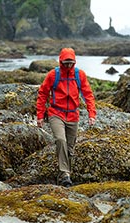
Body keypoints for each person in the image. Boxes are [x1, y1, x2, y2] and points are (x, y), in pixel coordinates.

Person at [36, 48, 96, 187]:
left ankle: (63, 178)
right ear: (61, 61)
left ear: (74, 62)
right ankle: (65, 174)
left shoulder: (79, 75)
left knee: (70, 149)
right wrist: (40, 115)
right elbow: (42, 94)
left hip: (73, 115)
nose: (68, 65)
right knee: (60, 140)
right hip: (56, 114)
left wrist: (91, 114)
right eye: (66, 63)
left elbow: (88, 95)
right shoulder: (53, 75)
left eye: (71, 63)